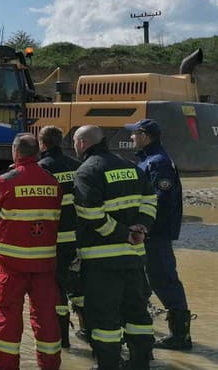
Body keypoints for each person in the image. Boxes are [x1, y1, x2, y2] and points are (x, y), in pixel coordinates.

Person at [72, 125, 157, 370]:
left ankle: (108, 365)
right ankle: (140, 364)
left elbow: (90, 213)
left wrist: (124, 235)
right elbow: (150, 200)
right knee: (138, 314)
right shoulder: (131, 167)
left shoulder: (87, 171)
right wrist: (142, 227)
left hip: (102, 263)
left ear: (81, 143)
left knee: (104, 318)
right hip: (134, 259)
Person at [0, 133, 62, 370]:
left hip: (12, 265)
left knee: (8, 315)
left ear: (15, 153)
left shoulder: (4, 181)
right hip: (45, 264)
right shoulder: (52, 182)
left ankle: (5, 364)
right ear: (37, 153)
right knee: (47, 316)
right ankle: (49, 365)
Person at [125, 118, 192, 350]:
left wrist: (144, 227)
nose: (131, 138)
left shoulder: (158, 162)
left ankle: (180, 336)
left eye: (134, 134)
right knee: (152, 279)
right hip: (152, 234)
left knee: (164, 278)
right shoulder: (150, 160)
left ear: (144, 135)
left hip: (156, 234)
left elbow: (161, 200)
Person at [36, 126, 85, 348]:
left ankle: (63, 341)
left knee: (57, 292)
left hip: (54, 243)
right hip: (80, 241)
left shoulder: (41, 170)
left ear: (42, 144)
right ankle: (88, 332)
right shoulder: (79, 167)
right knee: (80, 288)